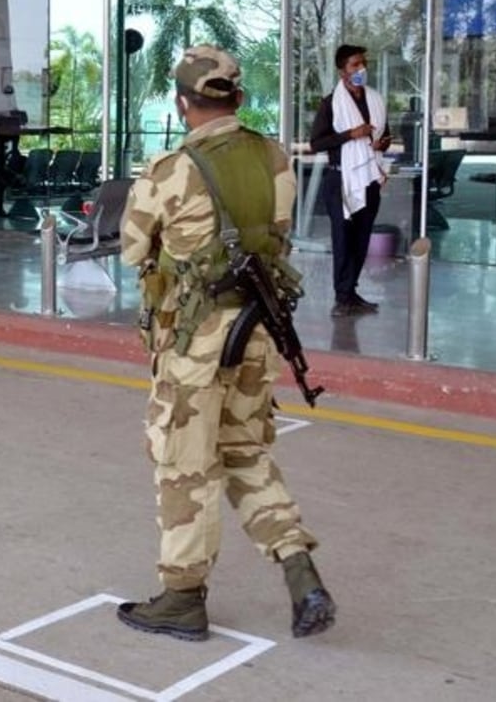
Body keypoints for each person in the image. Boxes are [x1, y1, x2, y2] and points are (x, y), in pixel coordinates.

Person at [118, 45, 335, 642]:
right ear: (237, 97)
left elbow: (133, 250)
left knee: (183, 465)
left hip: (195, 343)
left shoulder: (170, 169)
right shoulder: (273, 157)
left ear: (183, 103)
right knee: (244, 451)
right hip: (257, 333)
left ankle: (183, 596)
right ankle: (299, 570)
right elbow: (280, 235)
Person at [309, 44, 390, 317]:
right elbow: (316, 143)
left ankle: (351, 292)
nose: (361, 69)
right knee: (343, 239)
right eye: (355, 65)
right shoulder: (331, 103)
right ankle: (341, 297)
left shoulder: (375, 100)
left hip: (369, 177)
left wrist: (381, 145)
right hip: (340, 179)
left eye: (363, 63)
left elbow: (385, 136)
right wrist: (350, 134)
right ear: (342, 71)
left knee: (361, 239)